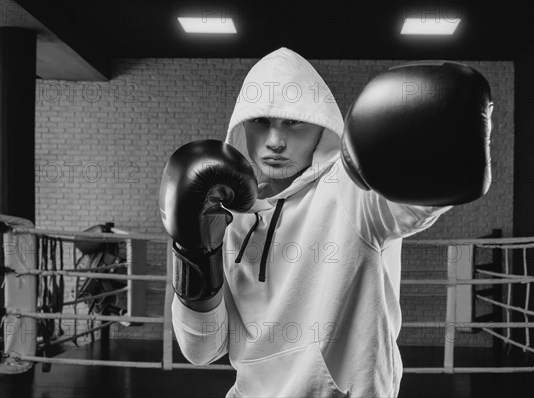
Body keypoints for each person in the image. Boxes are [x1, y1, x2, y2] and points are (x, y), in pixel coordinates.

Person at [160, 47, 493, 397]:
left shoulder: (351, 192)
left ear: (320, 127)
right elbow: (201, 350)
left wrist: (449, 144)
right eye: (261, 122)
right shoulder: (226, 217)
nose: (274, 142)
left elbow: (414, 204)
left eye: (292, 121)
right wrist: (197, 252)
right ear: (243, 127)